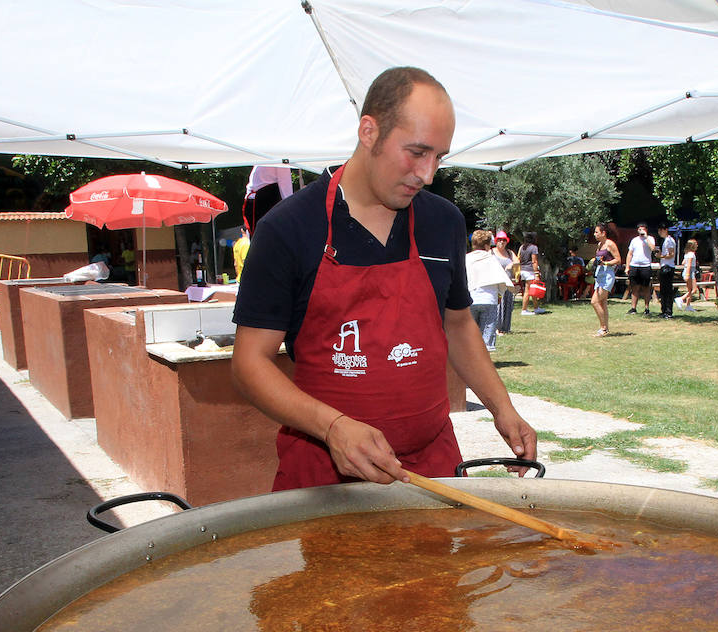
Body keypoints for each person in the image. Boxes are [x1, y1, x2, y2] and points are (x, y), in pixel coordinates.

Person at [230, 66, 537, 491]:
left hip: (431, 468)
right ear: (369, 131)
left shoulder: (443, 221)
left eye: (439, 158)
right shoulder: (289, 228)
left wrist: (503, 409)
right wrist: (334, 427)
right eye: (416, 152)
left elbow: (458, 324)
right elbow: (249, 363)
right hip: (325, 477)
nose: (427, 174)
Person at [465, 229, 513, 352]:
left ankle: (472, 360)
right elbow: (501, 279)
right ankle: (485, 363)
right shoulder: (492, 259)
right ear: (487, 245)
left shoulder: (466, 259)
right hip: (489, 300)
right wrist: (499, 295)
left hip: (470, 299)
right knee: (487, 333)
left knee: (470, 333)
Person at [589, 221, 620, 337]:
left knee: (594, 301)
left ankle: (603, 328)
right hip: (599, 274)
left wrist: (605, 263)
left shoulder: (610, 244)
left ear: (603, 233)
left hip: (607, 275)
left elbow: (618, 259)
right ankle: (605, 328)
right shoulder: (599, 245)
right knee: (602, 302)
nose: (594, 234)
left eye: (597, 232)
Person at [624, 222, 656, 317]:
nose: (641, 231)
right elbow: (630, 254)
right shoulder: (634, 240)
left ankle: (647, 308)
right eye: (640, 229)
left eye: (643, 229)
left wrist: (646, 237)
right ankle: (633, 308)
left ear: (646, 229)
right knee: (634, 288)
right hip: (634, 265)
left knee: (646, 288)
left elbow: (653, 248)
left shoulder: (650, 239)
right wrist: (627, 266)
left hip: (645, 266)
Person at [492, 230, 517, 333]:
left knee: (508, 304)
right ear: (496, 241)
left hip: (508, 283)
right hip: (496, 283)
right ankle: (497, 328)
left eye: (504, 240)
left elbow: (517, 261)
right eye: (499, 240)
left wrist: (512, 264)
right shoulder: (491, 252)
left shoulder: (510, 252)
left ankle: (505, 328)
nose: (502, 242)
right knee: (498, 305)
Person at [518, 232, 547, 316]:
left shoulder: (522, 247)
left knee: (532, 289)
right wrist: (537, 273)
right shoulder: (534, 248)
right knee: (527, 290)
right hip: (530, 271)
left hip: (523, 270)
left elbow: (518, 258)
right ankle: (524, 310)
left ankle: (536, 308)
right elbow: (534, 261)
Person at [656, 225, 677, 317]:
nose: (659, 232)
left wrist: (660, 256)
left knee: (667, 290)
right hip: (664, 265)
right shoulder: (664, 241)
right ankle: (664, 310)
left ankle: (668, 311)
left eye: (661, 230)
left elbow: (671, 254)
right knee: (663, 290)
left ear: (666, 230)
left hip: (668, 266)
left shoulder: (669, 241)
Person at [679, 238, 700, 311]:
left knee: (689, 289)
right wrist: (688, 274)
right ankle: (681, 299)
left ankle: (688, 305)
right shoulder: (691, 254)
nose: (697, 245)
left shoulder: (687, 254)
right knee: (694, 290)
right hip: (690, 271)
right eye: (696, 244)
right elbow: (689, 265)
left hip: (686, 270)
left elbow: (683, 263)